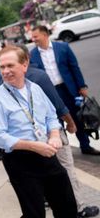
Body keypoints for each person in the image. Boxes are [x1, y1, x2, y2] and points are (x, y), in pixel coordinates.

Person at [0, 46, 77, 217]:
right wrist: (34, 146)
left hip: (46, 153)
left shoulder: (35, 88)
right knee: (34, 212)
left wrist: (55, 134)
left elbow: (51, 115)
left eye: (10, 66)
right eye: (2, 67)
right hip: (20, 160)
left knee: (66, 204)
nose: (5, 71)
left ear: (24, 64)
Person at [17, 43, 100, 218]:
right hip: (49, 132)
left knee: (46, 171)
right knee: (66, 168)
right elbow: (57, 105)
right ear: (26, 59)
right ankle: (78, 207)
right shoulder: (38, 76)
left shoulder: (7, 82)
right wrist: (70, 123)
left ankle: (52, 200)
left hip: (28, 138)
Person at [30, 25, 100, 155]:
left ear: (45, 35)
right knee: (56, 122)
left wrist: (82, 86)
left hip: (68, 89)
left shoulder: (63, 47)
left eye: (35, 36)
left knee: (76, 118)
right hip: (49, 92)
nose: (33, 39)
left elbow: (74, 67)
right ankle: (64, 151)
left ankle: (85, 146)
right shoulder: (32, 55)